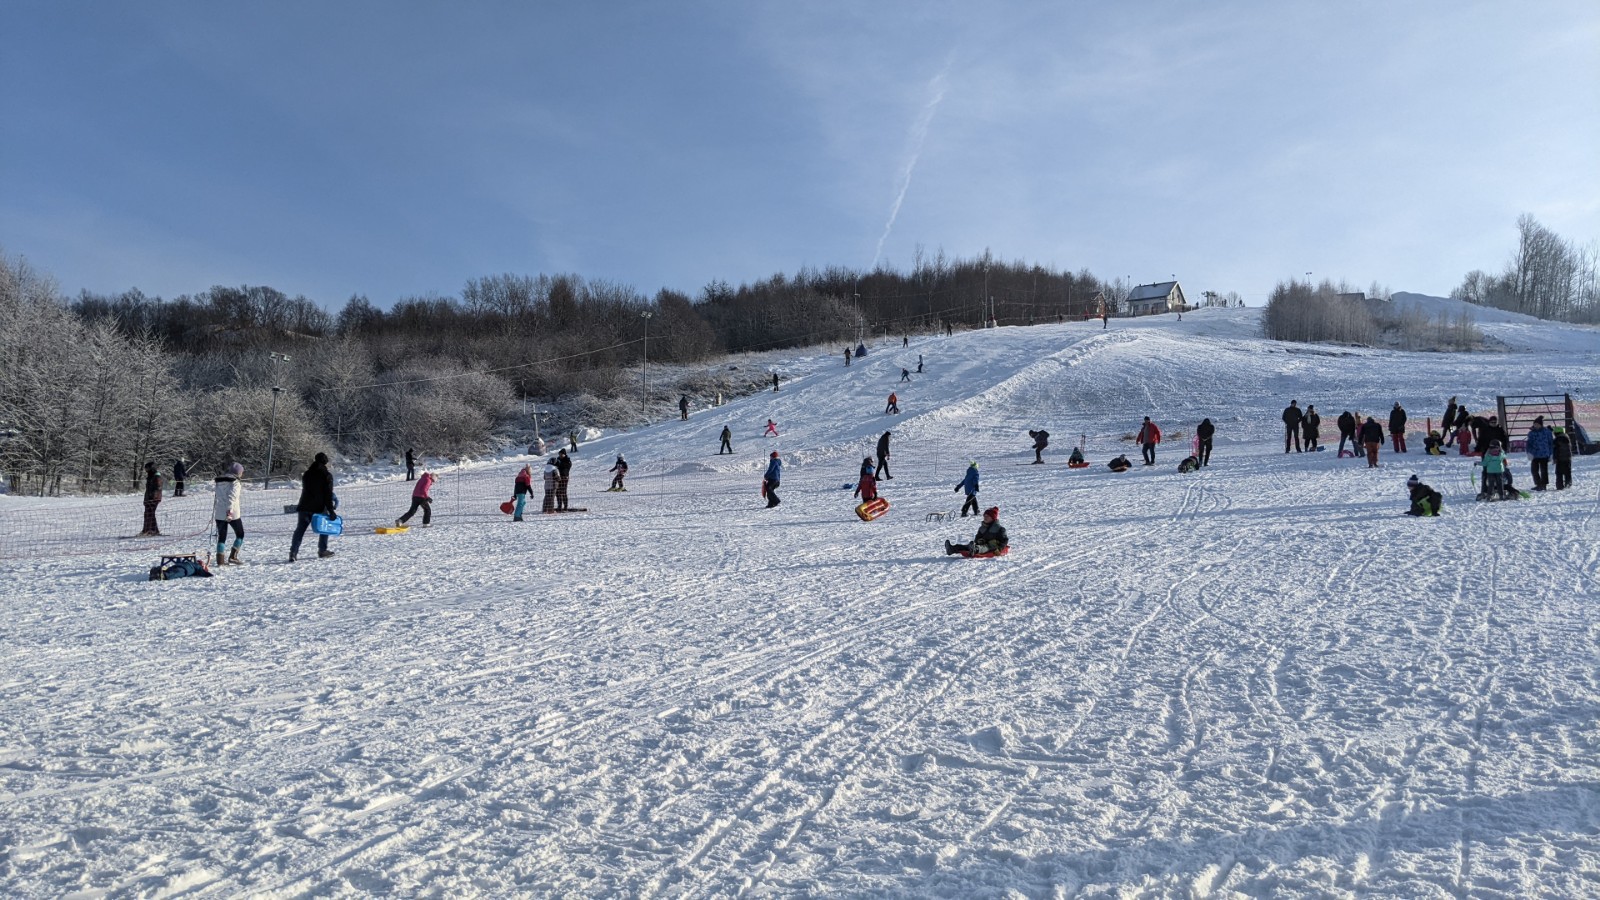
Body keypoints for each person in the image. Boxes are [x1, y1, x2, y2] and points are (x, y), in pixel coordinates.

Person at [289, 452, 336, 561]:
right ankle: (322, 550)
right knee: (324, 529)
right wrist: (331, 510)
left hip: (304, 505)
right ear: (325, 462)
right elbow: (328, 495)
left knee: (300, 530)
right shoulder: (327, 475)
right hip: (319, 508)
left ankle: (293, 552)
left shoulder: (307, 474)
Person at [213, 462, 244, 565]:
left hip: (219, 513)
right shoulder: (235, 482)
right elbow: (232, 497)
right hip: (232, 513)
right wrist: (229, 511)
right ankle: (233, 556)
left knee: (222, 537)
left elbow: (218, 496)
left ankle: (220, 561)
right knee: (240, 534)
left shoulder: (219, 481)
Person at [1525, 416, 1554, 491]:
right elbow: (1529, 444)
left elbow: (1551, 443)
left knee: (1544, 470)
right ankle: (1538, 484)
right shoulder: (1531, 433)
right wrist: (1529, 452)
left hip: (1544, 454)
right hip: (1535, 454)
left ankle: (1543, 484)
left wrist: (1551, 453)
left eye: (1537, 424)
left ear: (1541, 424)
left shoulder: (1547, 432)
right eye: (1535, 424)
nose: (1536, 426)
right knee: (1534, 470)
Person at [139, 461, 164, 536]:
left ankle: (149, 530)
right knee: (148, 513)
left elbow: (158, 487)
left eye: (147, 468)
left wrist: (153, 497)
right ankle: (152, 530)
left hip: (154, 498)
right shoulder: (150, 476)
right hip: (149, 498)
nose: (146, 470)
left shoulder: (156, 476)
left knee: (149, 513)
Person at [1553, 426, 1574, 490]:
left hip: (1560, 459)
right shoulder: (1567, 437)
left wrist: (1555, 458)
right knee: (1567, 472)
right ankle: (1568, 483)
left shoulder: (1557, 440)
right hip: (1568, 458)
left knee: (1559, 473)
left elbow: (1555, 450)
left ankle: (1559, 485)